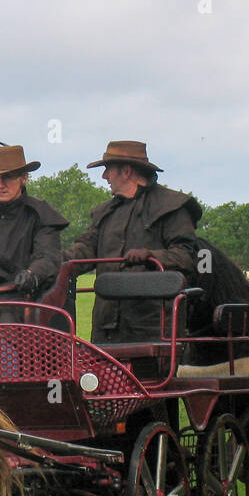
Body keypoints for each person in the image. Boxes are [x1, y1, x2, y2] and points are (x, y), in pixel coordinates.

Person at [65, 140, 201, 344]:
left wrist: (151, 256)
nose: (104, 177)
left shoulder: (172, 207)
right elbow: (85, 250)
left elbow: (188, 256)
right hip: (106, 327)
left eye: (108, 170)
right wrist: (53, 261)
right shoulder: (105, 213)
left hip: (154, 329)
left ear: (126, 171)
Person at [0, 145, 68, 322]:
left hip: (22, 297)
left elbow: (47, 258)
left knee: (5, 331)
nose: (0, 184)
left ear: (23, 178)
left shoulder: (40, 214)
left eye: (7, 177)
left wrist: (32, 274)